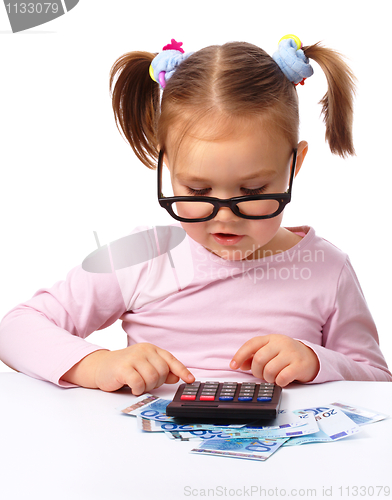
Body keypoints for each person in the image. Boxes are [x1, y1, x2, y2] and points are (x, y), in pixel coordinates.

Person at [0, 36, 390, 395]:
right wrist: (98, 363)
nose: (224, 217)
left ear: (294, 165)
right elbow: (15, 330)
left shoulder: (327, 268)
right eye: (198, 191)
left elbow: (377, 382)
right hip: (152, 461)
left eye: (252, 192)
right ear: (167, 166)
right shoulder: (144, 255)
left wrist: (319, 361)